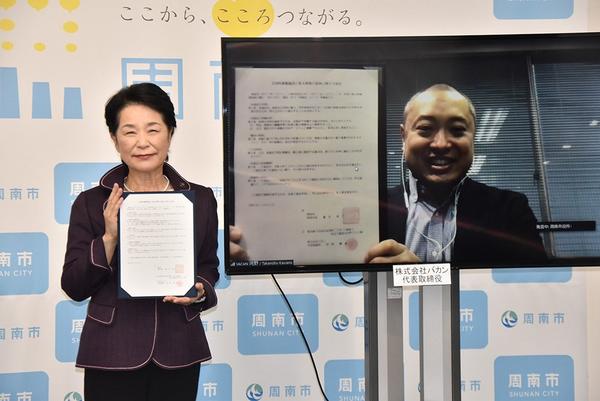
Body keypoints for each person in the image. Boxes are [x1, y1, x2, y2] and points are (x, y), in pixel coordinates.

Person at [61, 82, 219, 401]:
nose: (142, 142)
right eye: (130, 132)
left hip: (179, 347)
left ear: (170, 133)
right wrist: (109, 237)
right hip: (111, 349)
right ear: (114, 139)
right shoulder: (91, 203)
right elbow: (74, 286)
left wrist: (200, 289)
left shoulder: (200, 199)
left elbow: (208, 266)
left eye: (153, 129)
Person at [364, 83, 546, 266]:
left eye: (457, 130)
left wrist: (418, 276)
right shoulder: (372, 209)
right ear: (403, 137)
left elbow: (536, 281)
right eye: (425, 128)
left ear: (473, 138)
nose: (441, 144)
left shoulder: (511, 211)